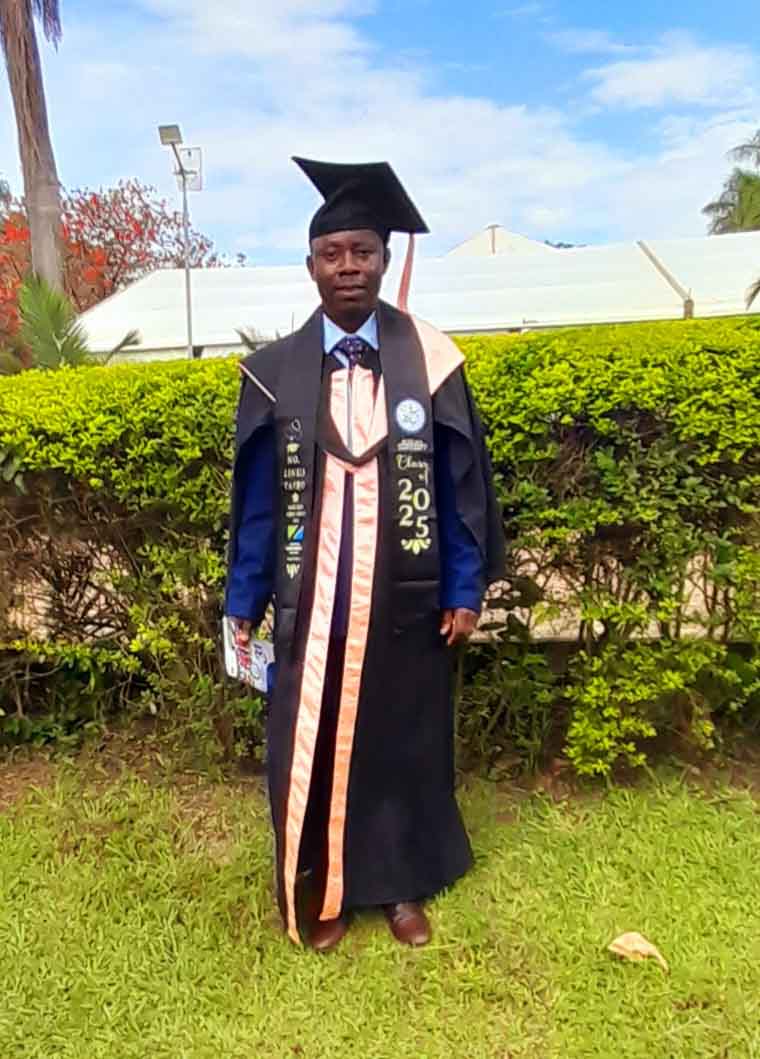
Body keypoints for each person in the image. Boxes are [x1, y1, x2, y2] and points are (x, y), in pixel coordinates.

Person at [225, 157, 504, 952]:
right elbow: (258, 504)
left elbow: (458, 486)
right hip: (310, 604)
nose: (348, 267)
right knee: (310, 743)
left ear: (384, 260)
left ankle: (401, 885)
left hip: (404, 599)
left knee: (402, 738)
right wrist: (243, 602)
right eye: (332, 254)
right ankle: (326, 884)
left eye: (363, 252)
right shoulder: (274, 373)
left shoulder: (431, 359)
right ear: (310, 265)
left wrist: (464, 588)